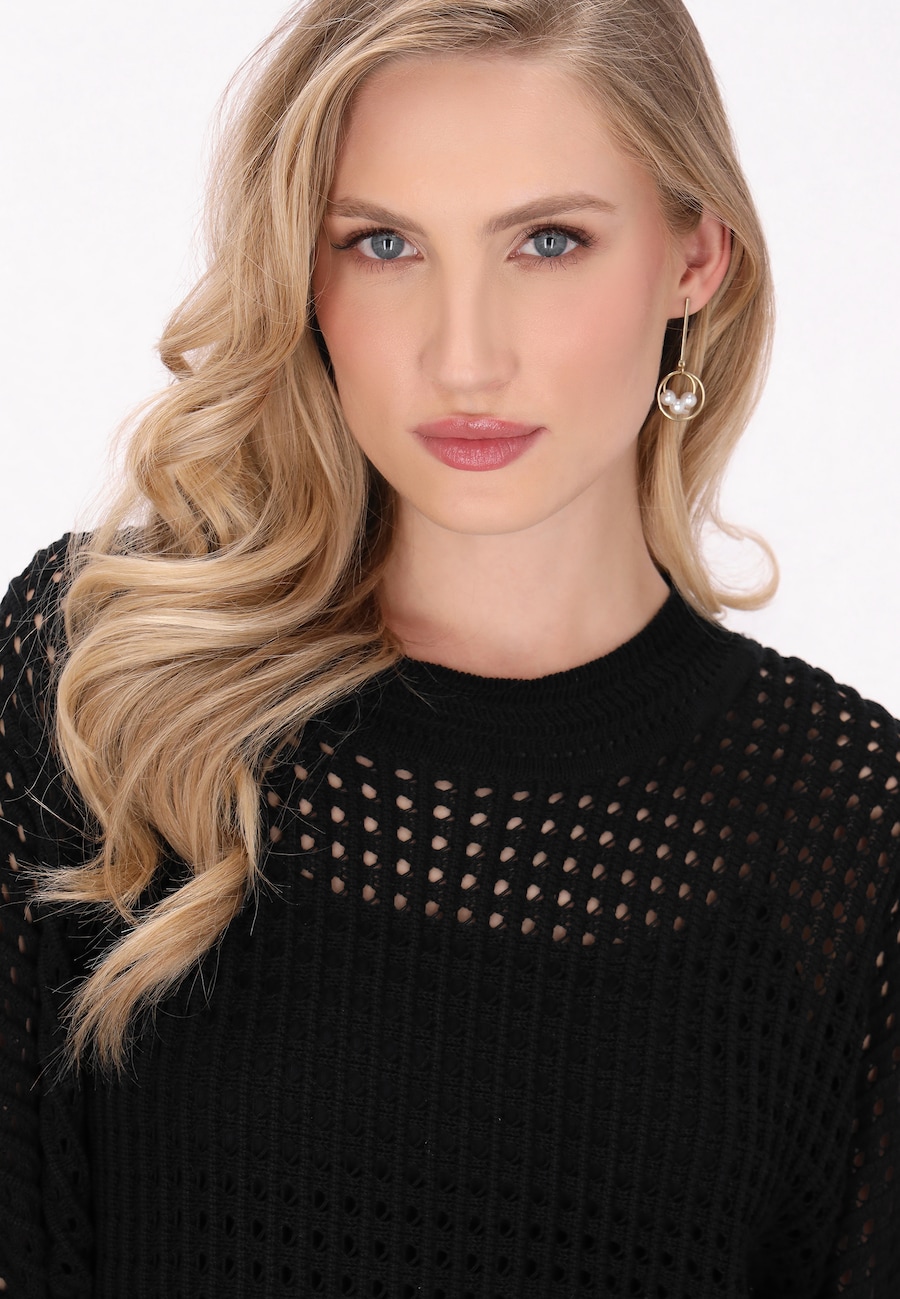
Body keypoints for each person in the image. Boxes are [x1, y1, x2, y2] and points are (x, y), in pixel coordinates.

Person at [1, 0, 897, 1294]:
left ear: (696, 257)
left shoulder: (849, 836)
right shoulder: (111, 682)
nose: (464, 358)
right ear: (306, 274)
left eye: (548, 241)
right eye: (384, 244)